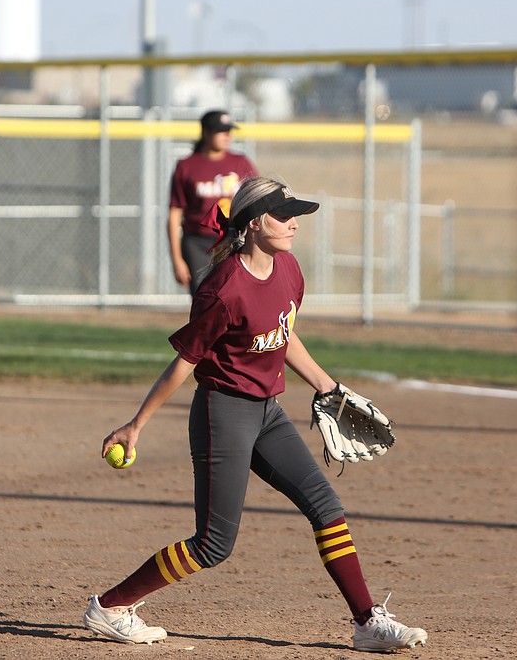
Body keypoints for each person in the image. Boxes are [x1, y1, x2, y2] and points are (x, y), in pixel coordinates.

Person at [84, 176, 428, 653]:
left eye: (295, 215)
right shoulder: (223, 290)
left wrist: (327, 385)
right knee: (213, 545)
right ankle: (110, 606)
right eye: (283, 216)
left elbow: (283, 334)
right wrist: (136, 424)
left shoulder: (288, 270)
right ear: (253, 223)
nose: (293, 224)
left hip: (268, 413)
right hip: (223, 413)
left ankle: (367, 622)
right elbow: (184, 362)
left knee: (326, 508)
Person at [168, 109, 258, 296]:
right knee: (205, 298)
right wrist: (177, 259)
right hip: (198, 243)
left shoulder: (240, 162)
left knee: (236, 297)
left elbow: (255, 200)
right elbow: (175, 214)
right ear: (206, 133)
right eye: (221, 130)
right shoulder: (187, 166)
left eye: (229, 131)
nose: (227, 135)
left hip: (233, 239)